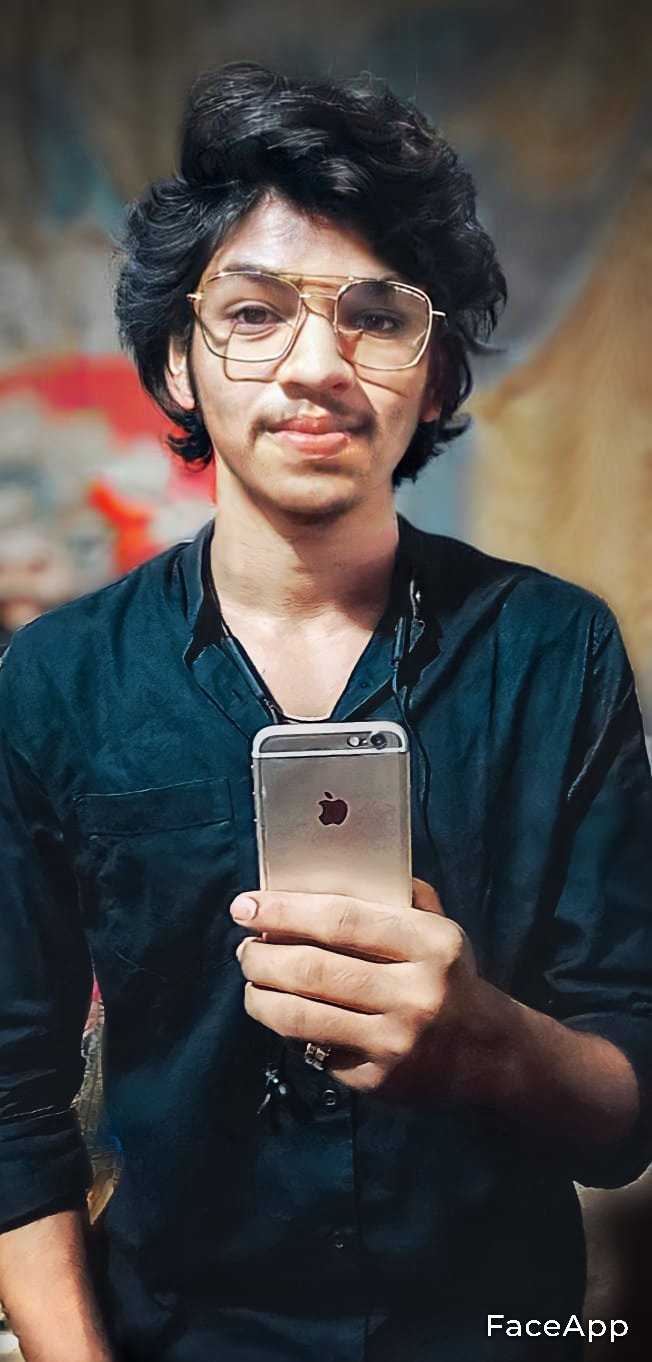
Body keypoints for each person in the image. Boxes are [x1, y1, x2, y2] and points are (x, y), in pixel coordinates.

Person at [0, 61, 650, 1362]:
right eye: (253, 311)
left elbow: (626, 1104)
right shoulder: (55, 678)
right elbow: (10, 1108)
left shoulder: (557, 649)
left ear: (437, 372)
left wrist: (486, 1040)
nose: (315, 367)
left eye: (376, 316)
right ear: (179, 363)